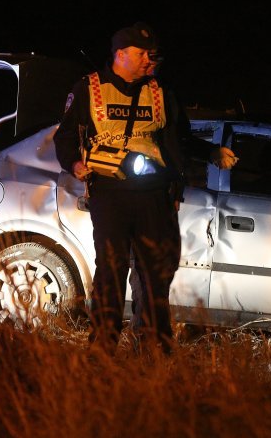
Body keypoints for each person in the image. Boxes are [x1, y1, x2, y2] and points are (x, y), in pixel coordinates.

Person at [53, 22, 236, 354]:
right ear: (120, 54)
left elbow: (178, 139)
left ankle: (152, 346)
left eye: (152, 56)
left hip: (154, 195)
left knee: (154, 273)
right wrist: (75, 165)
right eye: (141, 55)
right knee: (111, 269)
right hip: (109, 194)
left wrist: (210, 153)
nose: (148, 61)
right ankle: (102, 347)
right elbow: (64, 137)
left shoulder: (160, 91)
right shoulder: (88, 89)